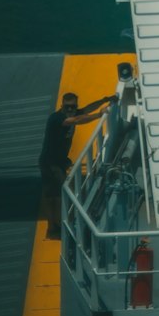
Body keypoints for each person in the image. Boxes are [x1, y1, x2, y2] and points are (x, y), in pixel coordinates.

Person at [39, 90, 115, 238]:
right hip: (50, 163)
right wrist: (99, 115)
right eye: (67, 107)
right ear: (62, 106)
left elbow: (87, 109)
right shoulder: (58, 118)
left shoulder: (72, 113)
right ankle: (56, 226)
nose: (70, 110)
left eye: (72, 107)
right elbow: (76, 120)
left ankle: (54, 227)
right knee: (61, 193)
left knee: (55, 195)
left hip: (59, 161)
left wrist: (105, 99)